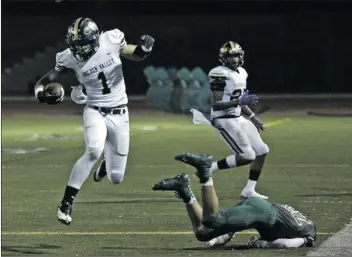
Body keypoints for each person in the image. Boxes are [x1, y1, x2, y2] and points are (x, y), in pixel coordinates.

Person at [34, 17, 155, 225]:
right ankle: (66, 202)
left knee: (116, 177)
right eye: (75, 45)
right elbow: (45, 81)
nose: (78, 50)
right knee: (93, 150)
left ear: (94, 39)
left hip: (120, 113)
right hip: (94, 110)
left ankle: (106, 164)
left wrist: (145, 48)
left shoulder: (111, 40)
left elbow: (136, 54)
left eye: (82, 45)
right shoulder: (68, 57)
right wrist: (41, 94)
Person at [152, 153, 316, 248]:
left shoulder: (303, 223)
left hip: (260, 210)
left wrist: (225, 235)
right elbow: (286, 244)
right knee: (212, 220)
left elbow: (250, 218)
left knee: (204, 234)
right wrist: (263, 244)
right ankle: (205, 171)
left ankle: (184, 190)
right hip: (263, 213)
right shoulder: (309, 235)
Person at [191, 41, 269, 199]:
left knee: (262, 150)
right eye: (231, 56)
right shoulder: (219, 73)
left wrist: (252, 117)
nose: (235, 59)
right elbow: (216, 104)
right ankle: (209, 168)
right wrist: (239, 102)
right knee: (247, 156)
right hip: (223, 119)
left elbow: (240, 99)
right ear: (224, 58)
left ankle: (249, 190)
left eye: (237, 55)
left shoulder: (242, 73)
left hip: (238, 117)